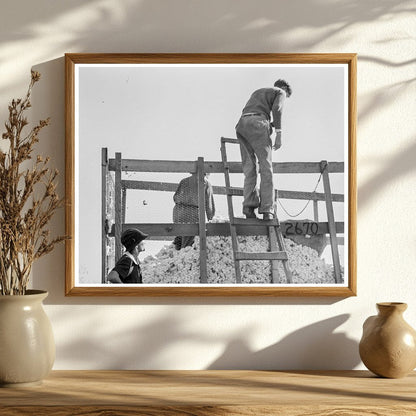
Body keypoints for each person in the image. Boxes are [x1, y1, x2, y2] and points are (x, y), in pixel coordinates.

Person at [235, 79, 292, 220]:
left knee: (249, 168)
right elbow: (277, 109)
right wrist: (279, 133)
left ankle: (248, 207)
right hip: (258, 124)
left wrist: (269, 123)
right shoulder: (281, 92)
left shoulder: (258, 92)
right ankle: (267, 210)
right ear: (284, 88)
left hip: (242, 124)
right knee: (266, 168)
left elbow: (254, 112)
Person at [173, 172, 215, 250]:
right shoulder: (206, 182)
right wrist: (211, 219)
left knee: (180, 237)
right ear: (206, 174)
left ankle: (176, 255)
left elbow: (175, 197)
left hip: (178, 212)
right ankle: (183, 259)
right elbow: (209, 204)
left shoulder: (184, 181)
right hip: (192, 214)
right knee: (188, 244)